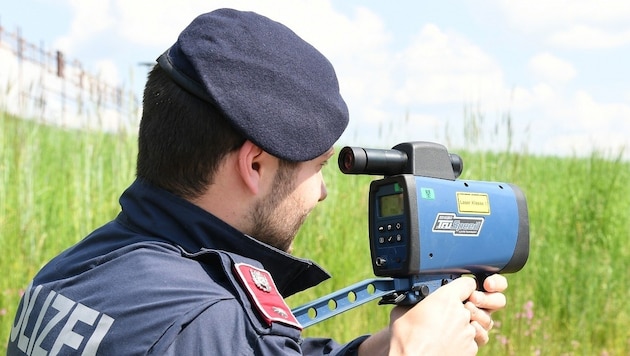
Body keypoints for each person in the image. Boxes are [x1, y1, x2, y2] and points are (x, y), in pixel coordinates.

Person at [7, 8, 508, 355]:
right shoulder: (208, 322)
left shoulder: (73, 269)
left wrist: (373, 352)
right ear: (255, 165)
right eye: (316, 168)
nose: (322, 191)